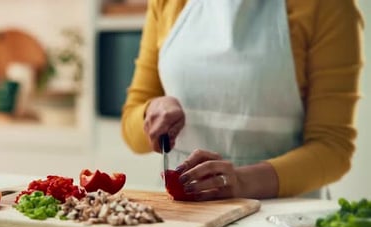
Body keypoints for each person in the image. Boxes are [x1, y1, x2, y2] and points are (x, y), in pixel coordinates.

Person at [121, 0, 364, 200]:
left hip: (282, 218)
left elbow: (332, 148)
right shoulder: (166, 3)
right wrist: (150, 112)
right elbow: (131, 128)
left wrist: (242, 181)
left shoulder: (328, 6)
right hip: (182, 213)